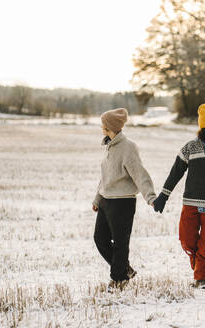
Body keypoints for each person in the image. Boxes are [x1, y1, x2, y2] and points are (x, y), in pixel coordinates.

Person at [153, 103, 205, 289]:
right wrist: (163, 196)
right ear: (204, 128)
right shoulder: (190, 148)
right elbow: (175, 173)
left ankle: (201, 279)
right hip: (190, 202)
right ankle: (200, 268)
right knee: (187, 241)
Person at [92, 108, 157, 291]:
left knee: (121, 243)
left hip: (122, 202)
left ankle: (118, 279)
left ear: (110, 126)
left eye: (103, 124)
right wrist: (97, 199)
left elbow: (139, 174)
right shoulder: (108, 145)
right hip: (106, 200)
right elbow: (105, 176)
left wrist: (150, 197)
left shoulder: (128, 147)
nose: (101, 127)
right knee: (100, 239)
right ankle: (125, 269)